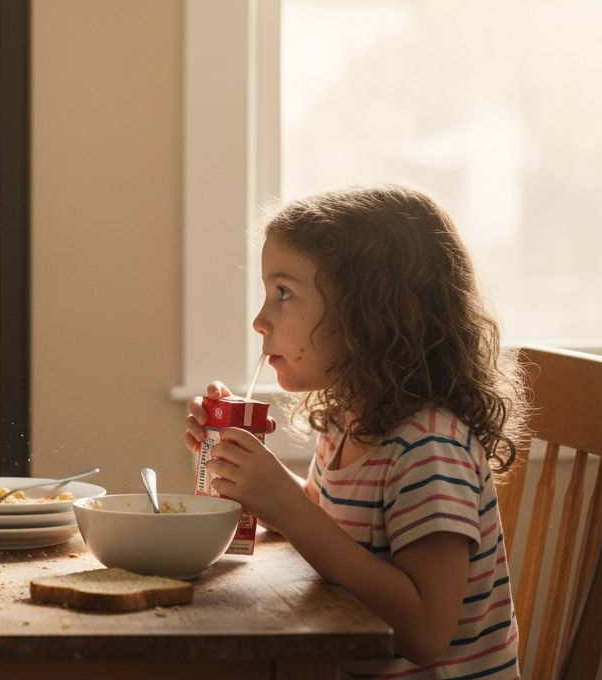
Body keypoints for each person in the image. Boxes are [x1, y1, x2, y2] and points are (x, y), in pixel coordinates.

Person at [184, 185, 527, 678]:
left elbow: (426, 633)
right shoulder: (348, 421)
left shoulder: (430, 447)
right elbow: (339, 533)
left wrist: (287, 505)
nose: (260, 320)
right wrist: (252, 476)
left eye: (284, 293)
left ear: (371, 314)